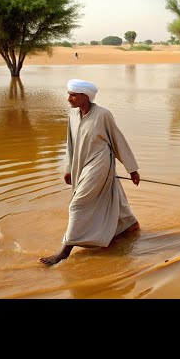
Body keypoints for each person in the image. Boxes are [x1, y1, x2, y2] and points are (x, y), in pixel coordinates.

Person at [39, 79, 141, 266]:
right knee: (111, 194)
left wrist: (132, 169)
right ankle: (128, 225)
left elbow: (118, 140)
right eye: (69, 94)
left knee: (78, 204)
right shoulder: (73, 115)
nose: (69, 98)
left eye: (73, 95)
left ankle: (64, 252)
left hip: (101, 163)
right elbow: (70, 142)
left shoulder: (103, 115)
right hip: (81, 164)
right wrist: (69, 168)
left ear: (85, 97)